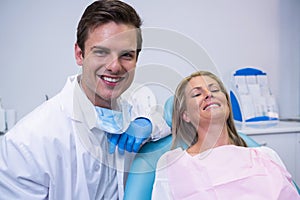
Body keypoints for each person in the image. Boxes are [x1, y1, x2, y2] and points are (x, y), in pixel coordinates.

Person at [0, 0, 170, 199]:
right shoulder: (27, 145)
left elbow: (169, 119)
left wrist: (149, 123)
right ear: (79, 54)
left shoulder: (138, 104)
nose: (114, 66)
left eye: (126, 55)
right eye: (101, 52)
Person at [152, 71, 300, 199]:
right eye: (197, 94)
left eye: (215, 90)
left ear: (227, 105)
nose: (208, 94)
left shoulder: (266, 156)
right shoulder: (172, 165)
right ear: (186, 115)